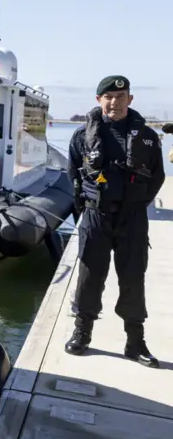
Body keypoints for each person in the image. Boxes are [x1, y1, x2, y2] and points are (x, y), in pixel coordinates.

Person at [64, 76, 164, 367]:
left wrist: (136, 203)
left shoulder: (147, 137)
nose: (114, 102)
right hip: (96, 215)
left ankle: (135, 342)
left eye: (121, 96)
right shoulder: (82, 137)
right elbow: (74, 176)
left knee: (133, 277)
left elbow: (157, 177)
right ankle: (82, 333)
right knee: (90, 275)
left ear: (130, 100)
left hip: (132, 218)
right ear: (98, 100)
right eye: (108, 96)